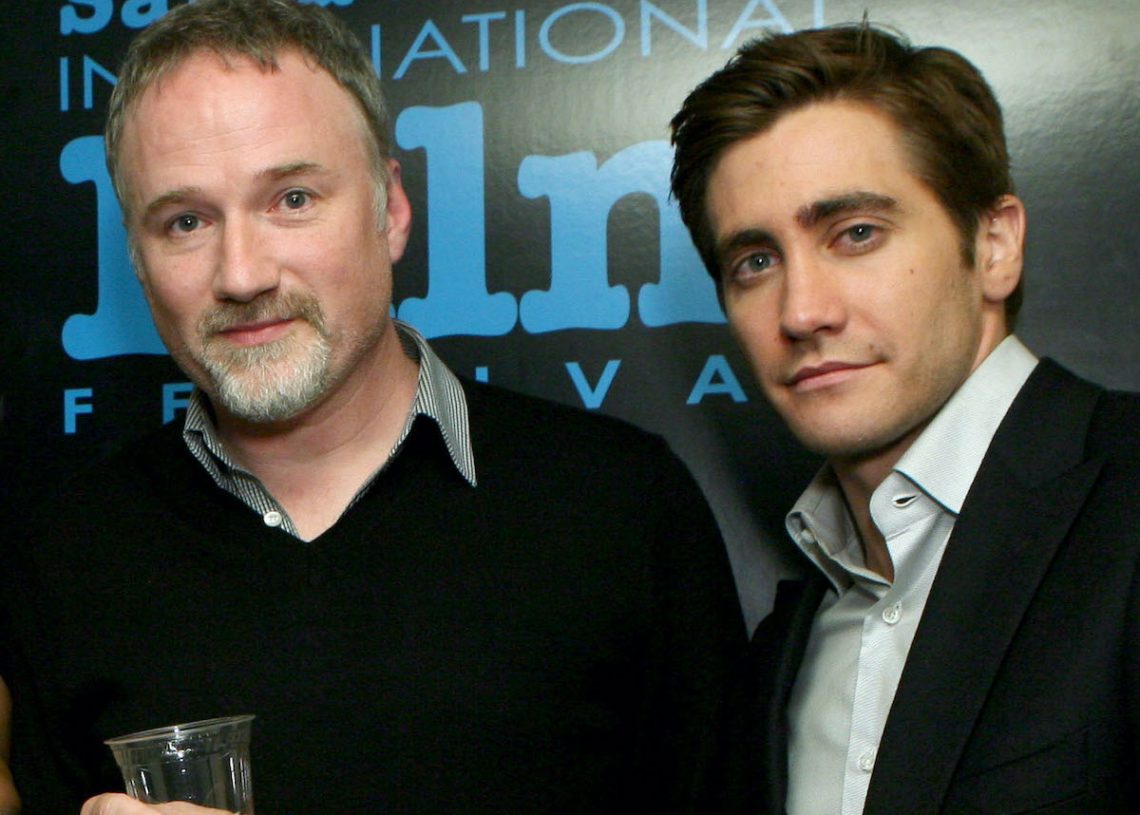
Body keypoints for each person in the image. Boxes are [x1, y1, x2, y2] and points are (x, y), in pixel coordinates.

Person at [0, 1, 747, 813]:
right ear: (139, 261)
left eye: (292, 199)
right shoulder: (67, 554)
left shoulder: (621, 507)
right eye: (186, 221)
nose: (242, 273)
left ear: (390, 209)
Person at [670, 23, 1140, 815]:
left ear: (993, 246)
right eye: (755, 260)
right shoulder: (788, 648)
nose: (802, 310)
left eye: (856, 233)